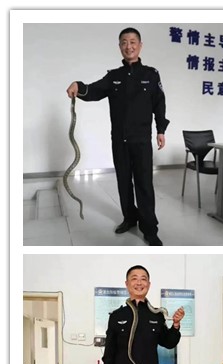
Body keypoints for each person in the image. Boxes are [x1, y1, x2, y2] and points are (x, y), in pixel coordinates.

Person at [66, 27, 168, 246]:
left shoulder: (151, 75)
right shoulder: (114, 77)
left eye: (132, 42)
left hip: (141, 140)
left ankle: (149, 229)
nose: (128, 46)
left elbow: (159, 103)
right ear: (119, 47)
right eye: (124, 42)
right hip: (119, 141)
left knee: (144, 185)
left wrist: (161, 130)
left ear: (140, 45)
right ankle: (129, 218)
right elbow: (93, 90)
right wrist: (78, 86)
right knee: (123, 182)